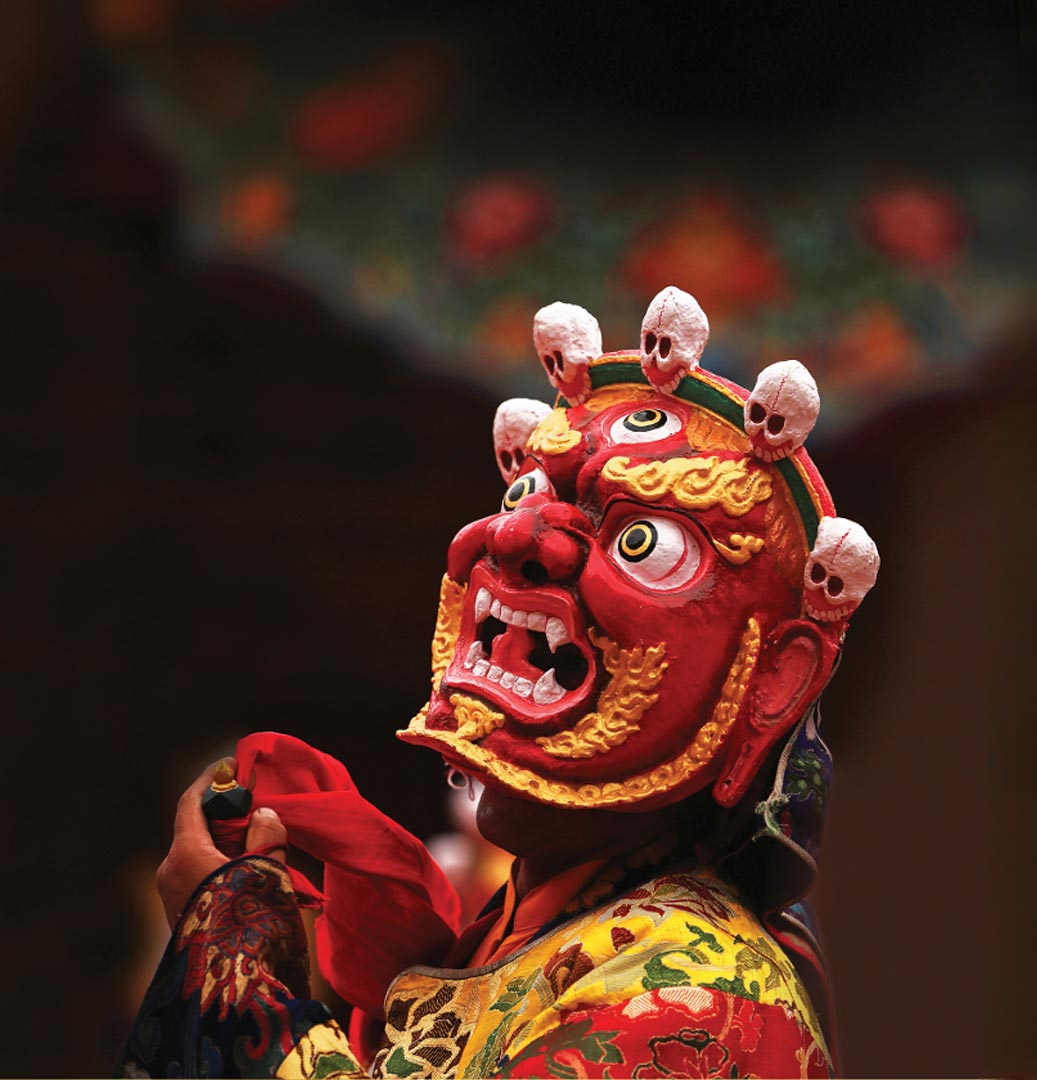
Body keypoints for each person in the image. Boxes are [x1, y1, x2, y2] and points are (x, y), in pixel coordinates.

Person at [118, 287, 879, 1078]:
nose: (516, 536)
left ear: (771, 680)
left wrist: (229, 956)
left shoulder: (697, 997)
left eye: (642, 540)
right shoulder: (522, 938)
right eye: (527, 495)